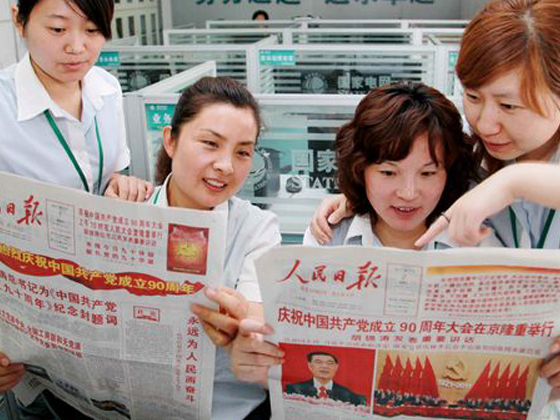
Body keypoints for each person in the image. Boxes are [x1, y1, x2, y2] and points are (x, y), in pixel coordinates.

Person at [307, 0, 560, 410]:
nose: (484, 122)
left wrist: (515, 182)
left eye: (509, 105)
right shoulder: (480, 158)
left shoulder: (506, 173)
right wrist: (358, 194)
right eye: (473, 96)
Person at [0, 0, 152, 417]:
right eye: (57, 29)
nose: (77, 47)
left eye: (92, 30)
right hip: (30, 321)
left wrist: (122, 184)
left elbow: (113, 173)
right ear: (19, 20)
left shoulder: (106, 88)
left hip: (99, 306)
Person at [147, 76, 281, 419]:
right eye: (210, 143)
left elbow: (256, 316)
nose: (226, 166)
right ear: (171, 141)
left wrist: (244, 327)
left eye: (242, 152)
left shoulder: (256, 229)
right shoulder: (125, 214)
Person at [302, 81, 493, 250]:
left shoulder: (477, 245)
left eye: (427, 173)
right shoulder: (328, 238)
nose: (408, 194)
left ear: (449, 173)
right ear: (360, 170)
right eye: (389, 173)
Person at [285, 352, 366, 406]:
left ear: (336, 367)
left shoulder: (351, 396)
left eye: (329, 363)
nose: (324, 366)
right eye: (318, 362)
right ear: (310, 366)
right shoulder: (294, 389)